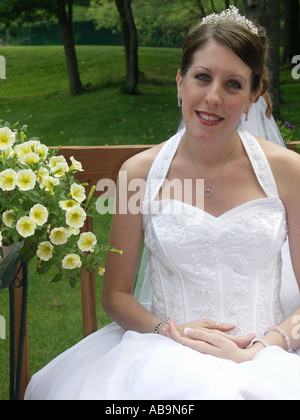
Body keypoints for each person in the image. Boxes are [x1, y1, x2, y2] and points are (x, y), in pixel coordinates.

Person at [25, 6, 300, 400]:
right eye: (202, 77)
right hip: (166, 349)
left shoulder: (288, 172)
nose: (213, 97)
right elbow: (116, 295)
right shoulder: (139, 174)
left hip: (265, 355)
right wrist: (169, 332)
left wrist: (260, 350)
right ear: (179, 82)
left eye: (234, 84)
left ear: (254, 95)